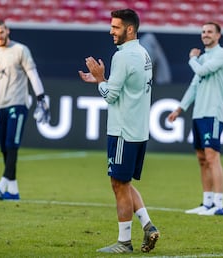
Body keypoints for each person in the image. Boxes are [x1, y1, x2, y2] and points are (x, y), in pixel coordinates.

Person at [78, 8, 160, 254]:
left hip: (123, 129)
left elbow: (111, 96)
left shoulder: (122, 56)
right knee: (122, 182)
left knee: (118, 184)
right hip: (138, 129)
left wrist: (101, 80)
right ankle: (148, 225)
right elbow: (128, 86)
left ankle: (124, 242)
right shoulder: (142, 53)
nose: (111, 31)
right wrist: (103, 81)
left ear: (130, 29)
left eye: (115, 27)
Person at [167, 22, 223, 216]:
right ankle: (207, 202)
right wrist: (179, 109)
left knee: (212, 157)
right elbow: (194, 86)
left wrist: (192, 59)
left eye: (210, 32)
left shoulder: (222, 55)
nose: (205, 35)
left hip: (213, 112)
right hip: (199, 113)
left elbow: (201, 71)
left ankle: (219, 205)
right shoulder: (202, 58)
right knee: (202, 159)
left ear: (218, 35)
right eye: (203, 32)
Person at [0, 19, 50, 201]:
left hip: (18, 104)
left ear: (7, 31)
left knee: (12, 145)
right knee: (5, 149)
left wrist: (41, 97)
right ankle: (13, 191)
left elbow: (32, 73)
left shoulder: (20, 50)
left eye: (1, 32)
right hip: (0, 107)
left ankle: (1, 186)